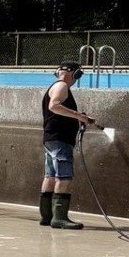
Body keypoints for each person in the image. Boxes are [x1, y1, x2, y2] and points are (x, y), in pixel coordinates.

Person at [40, 62, 95, 230]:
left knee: (50, 176)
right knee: (64, 176)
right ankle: (59, 218)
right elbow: (54, 106)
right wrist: (80, 117)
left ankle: (47, 217)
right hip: (60, 139)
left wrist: (79, 118)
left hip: (52, 138)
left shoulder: (57, 86)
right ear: (75, 73)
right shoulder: (62, 86)